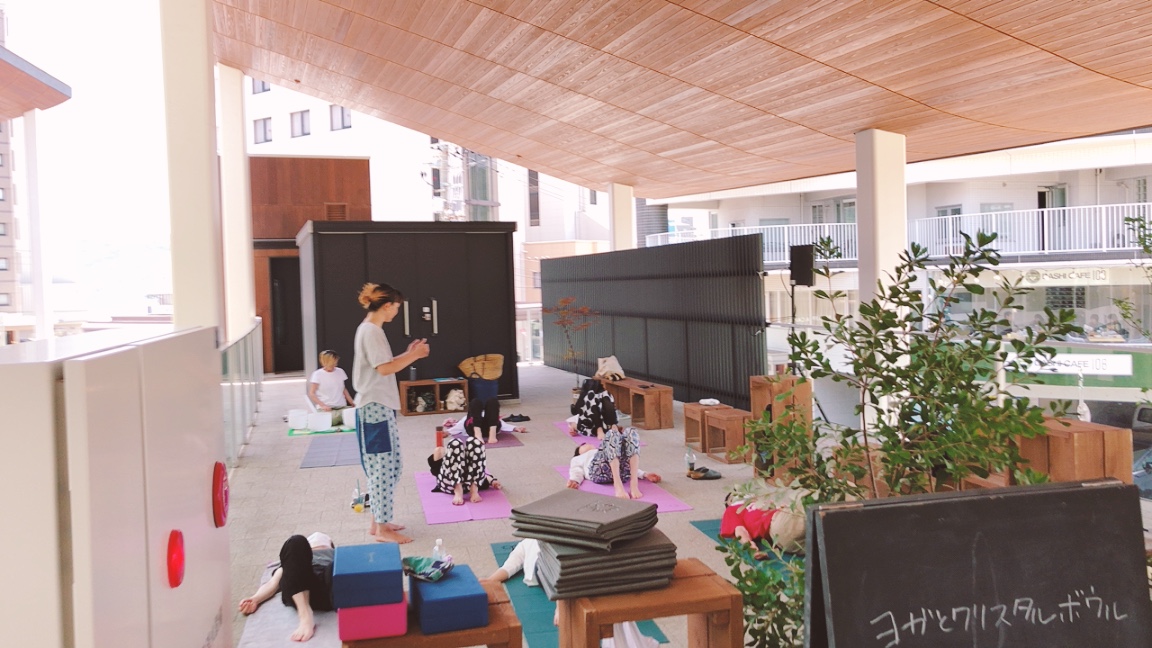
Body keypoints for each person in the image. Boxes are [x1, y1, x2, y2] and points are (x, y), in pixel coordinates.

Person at [353, 282, 429, 544]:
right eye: (396, 307)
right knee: (383, 468)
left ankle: (379, 522)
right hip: (374, 407)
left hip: (379, 406)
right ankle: (382, 529)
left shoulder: (371, 330)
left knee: (390, 466)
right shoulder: (371, 331)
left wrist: (408, 354)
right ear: (387, 306)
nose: (396, 312)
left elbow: (383, 364)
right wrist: (415, 356)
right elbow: (384, 369)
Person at [238, 532, 335, 643]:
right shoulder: (296, 557)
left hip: (329, 584)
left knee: (344, 561)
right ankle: (305, 615)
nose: (319, 545)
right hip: (300, 586)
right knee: (295, 541)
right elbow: (273, 583)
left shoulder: (334, 554)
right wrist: (255, 599)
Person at [567, 427, 661, 500]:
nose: (586, 444)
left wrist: (644, 474)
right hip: (599, 472)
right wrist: (575, 480)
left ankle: (634, 483)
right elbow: (576, 470)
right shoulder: (579, 458)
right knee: (612, 433)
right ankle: (618, 485)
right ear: (579, 452)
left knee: (631, 431)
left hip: (622, 472)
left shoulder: (603, 449)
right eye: (583, 445)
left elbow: (627, 464)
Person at [428, 434, 501, 505]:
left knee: (475, 442)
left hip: (470, 483)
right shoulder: (444, 461)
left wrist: (492, 481)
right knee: (455, 443)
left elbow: (481, 473)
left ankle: (474, 489)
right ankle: (458, 489)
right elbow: (437, 462)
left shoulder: (468, 464)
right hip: (450, 483)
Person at [442, 397, 527, 443]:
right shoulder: (476, 415)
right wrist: (448, 432)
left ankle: (488, 436)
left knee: (484, 401)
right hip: (478, 430)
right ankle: (481, 434)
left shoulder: (476, 415)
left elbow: (463, 423)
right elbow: (461, 424)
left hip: (486, 429)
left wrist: (515, 428)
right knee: (478, 401)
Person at [307, 350, 354, 427]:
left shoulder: (340, 371)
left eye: (335, 363)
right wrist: (323, 406)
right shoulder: (317, 374)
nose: (334, 365)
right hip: (326, 408)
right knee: (333, 419)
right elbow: (312, 393)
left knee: (354, 415)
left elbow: (343, 389)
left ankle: (340, 418)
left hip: (341, 407)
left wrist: (352, 402)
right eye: (332, 363)